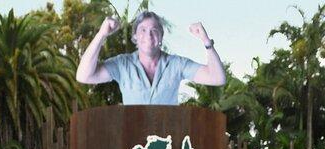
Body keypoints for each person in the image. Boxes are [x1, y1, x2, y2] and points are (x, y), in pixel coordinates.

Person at [76, 11, 226, 105]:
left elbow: (217, 78)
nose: (148, 35)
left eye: (154, 30)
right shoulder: (122, 64)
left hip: (167, 144)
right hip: (133, 147)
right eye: (143, 30)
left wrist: (206, 41)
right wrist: (102, 35)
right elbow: (84, 76)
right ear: (135, 36)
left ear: (161, 36)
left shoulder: (177, 64)